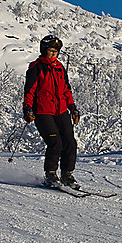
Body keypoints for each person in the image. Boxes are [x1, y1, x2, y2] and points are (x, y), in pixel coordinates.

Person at [23, 35, 81, 189]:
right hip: (43, 112)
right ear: (44, 51)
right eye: (50, 51)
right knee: (55, 142)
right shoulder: (36, 68)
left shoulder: (60, 68)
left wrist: (73, 108)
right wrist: (28, 108)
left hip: (61, 110)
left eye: (56, 51)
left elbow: (66, 90)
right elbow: (29, 91)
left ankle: (67, 174)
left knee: (70, 142)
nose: (53, 54)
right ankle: (50, 174)